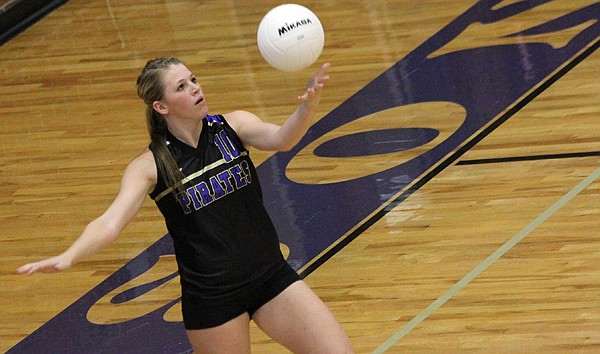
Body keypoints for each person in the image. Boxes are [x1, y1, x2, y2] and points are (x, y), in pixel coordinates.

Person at [17, 57, 354, 353]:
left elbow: (282, 139)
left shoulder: (232, 126)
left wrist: (307, 106)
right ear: (161, 107)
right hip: (213, 300)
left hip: (270, 277)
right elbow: (110, 223)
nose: (194, 87)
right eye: (181, 86)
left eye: (193, 79)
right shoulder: (149, 166)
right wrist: (69, 256)